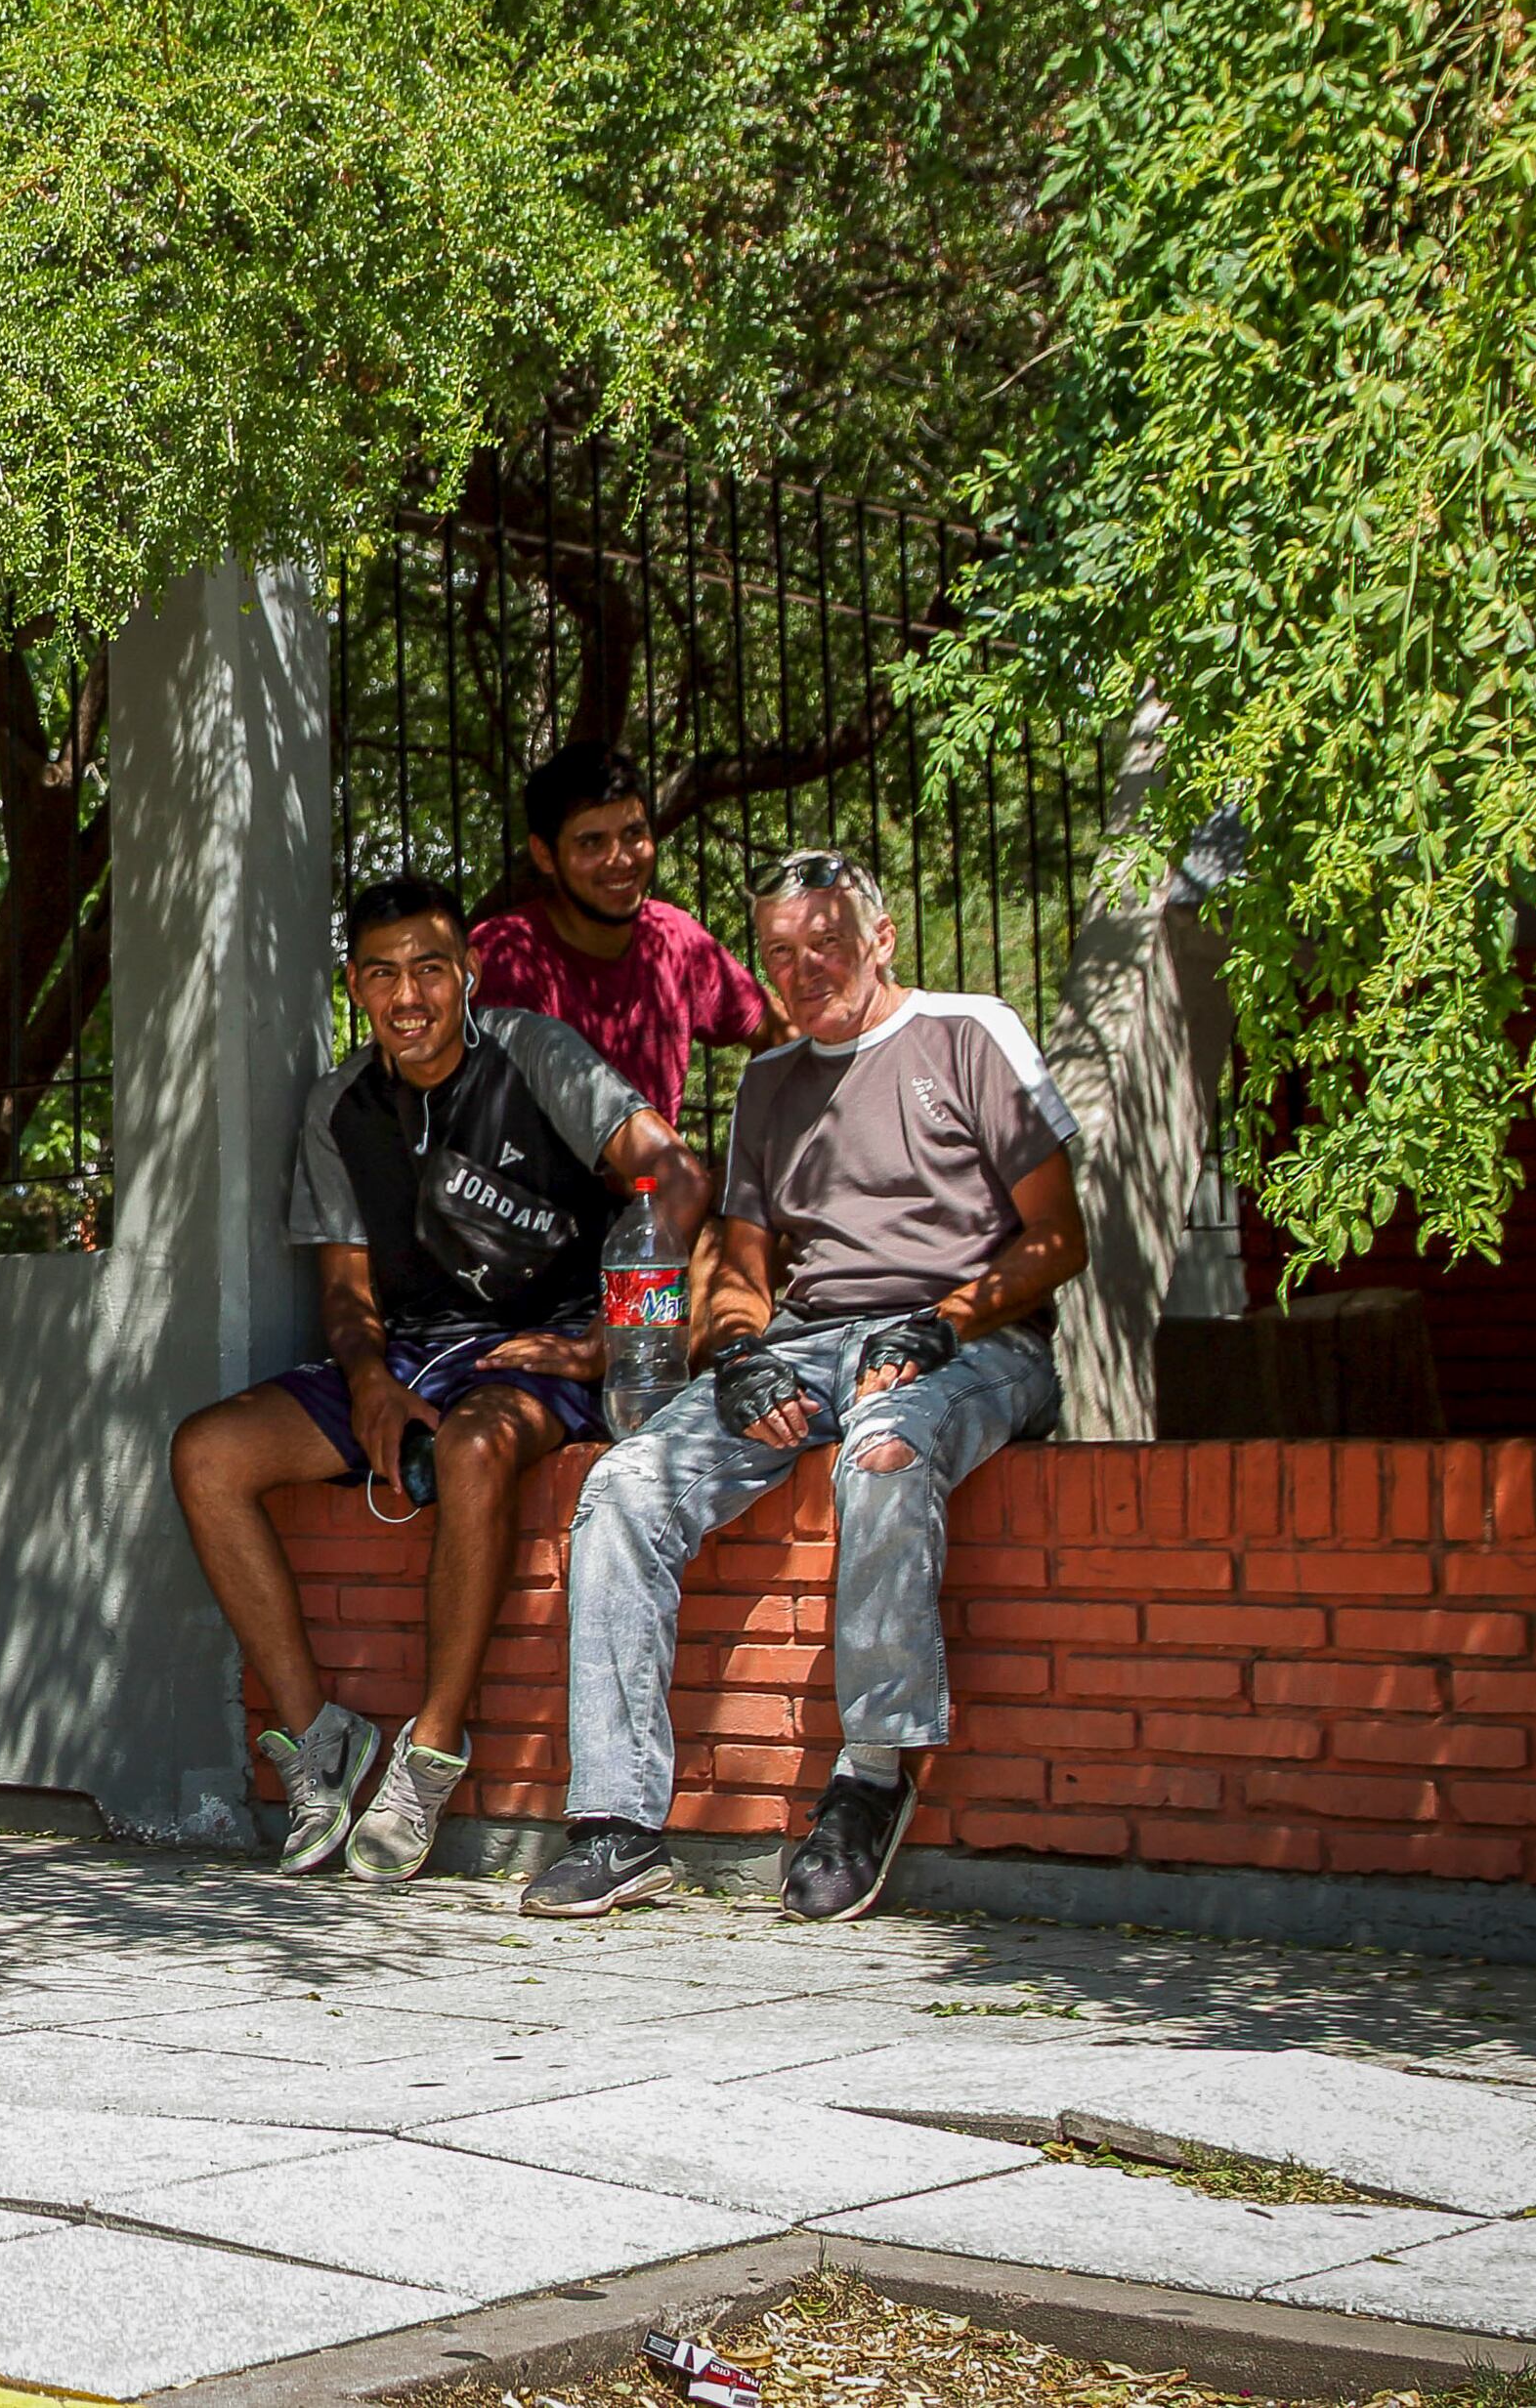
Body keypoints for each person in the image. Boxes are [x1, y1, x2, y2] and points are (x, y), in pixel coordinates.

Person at [523, 849, 1087, 1924]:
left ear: (879, 937)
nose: (804, 966)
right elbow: (739, 1268)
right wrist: (735, 1356)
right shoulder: (771, 1084)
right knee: (622, 1485)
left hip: (973, 1334)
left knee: (883, 1449)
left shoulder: (968, 1033)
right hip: (808, 1340)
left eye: (825, 940)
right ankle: (614, 1823)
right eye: (779, 951)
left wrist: (943, 1323)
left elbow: (1059, 1238)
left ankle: (872, 1772)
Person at [170, 874, 704, 1882]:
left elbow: (673, 1177)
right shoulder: (339, 1104)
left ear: (466, 973)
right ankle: (317, 1741)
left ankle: (429, 1750)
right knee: (205, 1452)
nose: (405, 996)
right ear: (354, 987)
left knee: (471, 1448)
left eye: (427, 969)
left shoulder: (533, 1052)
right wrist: (367, 1378)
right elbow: (341, 1284)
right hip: (413, 1351)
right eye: (381, 975)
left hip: (533, 1345)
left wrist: (603, 1338)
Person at [466, 740, 783, 1124]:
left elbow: (782, 1035)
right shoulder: (504, 957)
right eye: (592, 842)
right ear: (544, 855)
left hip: (657, 1181)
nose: (621, 859)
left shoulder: (673, 936)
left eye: (634, 834)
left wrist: (753, 1154)